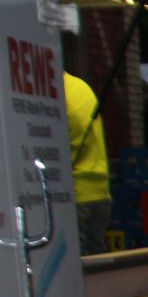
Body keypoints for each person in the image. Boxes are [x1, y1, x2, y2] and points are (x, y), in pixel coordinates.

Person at [65, 71, 111, 255]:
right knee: (97, 260)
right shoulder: (80, 86)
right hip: (99, 190)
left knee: (79, 264)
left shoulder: (58, 95)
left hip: (76, 193)